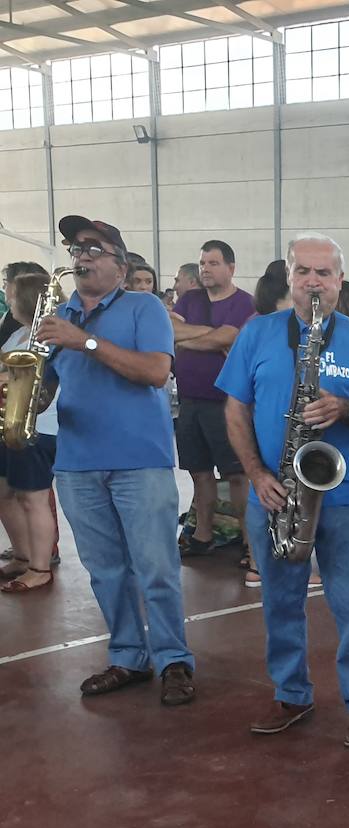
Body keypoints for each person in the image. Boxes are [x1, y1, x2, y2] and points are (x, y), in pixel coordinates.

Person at [217, 233, 349, 748]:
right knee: (279, 602)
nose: (314, 282)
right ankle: (292, 694)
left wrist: (347, 409)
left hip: (340, 498)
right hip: (273, 493)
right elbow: (236, 409)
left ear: (340, 281)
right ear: (290, 278)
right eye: (304, 272)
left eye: (324, 273)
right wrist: (255, 474)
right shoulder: (258, 332)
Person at [34, 215, 196, 705]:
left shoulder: (144, 307)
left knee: (156, 566)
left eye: (92, 247)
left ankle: (174, 660)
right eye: (74, 248)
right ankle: (128, 656)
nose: (80, 255)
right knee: (104, 569)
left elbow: (153, 371)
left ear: (120, 267)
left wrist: (81, 340)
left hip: (138, 460)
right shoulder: (60, 315)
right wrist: (26, 398)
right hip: (77, 462)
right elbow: (49, 389)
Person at [172, 240, 257, 563]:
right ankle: (203, 535)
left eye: (213, 263)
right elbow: (170, 330)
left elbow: (231, 337)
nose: (205, 269)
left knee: (237, 474)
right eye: (203, 263)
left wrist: (190, 336)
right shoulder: (189, 298)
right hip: (190, 402)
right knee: (199, 472)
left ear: (231, 268)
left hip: (227, 404)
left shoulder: (244, 303)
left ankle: (251, 543)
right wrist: (211, 334)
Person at [0, 271, 62, 594]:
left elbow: (26, 377)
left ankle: (40, 567)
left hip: (39, 427)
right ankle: (23, 556)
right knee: (7, 494)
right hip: (10, 422)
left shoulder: (45, 336)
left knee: (33, 498)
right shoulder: (19, 334)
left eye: (11, 295)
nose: (7, 300)